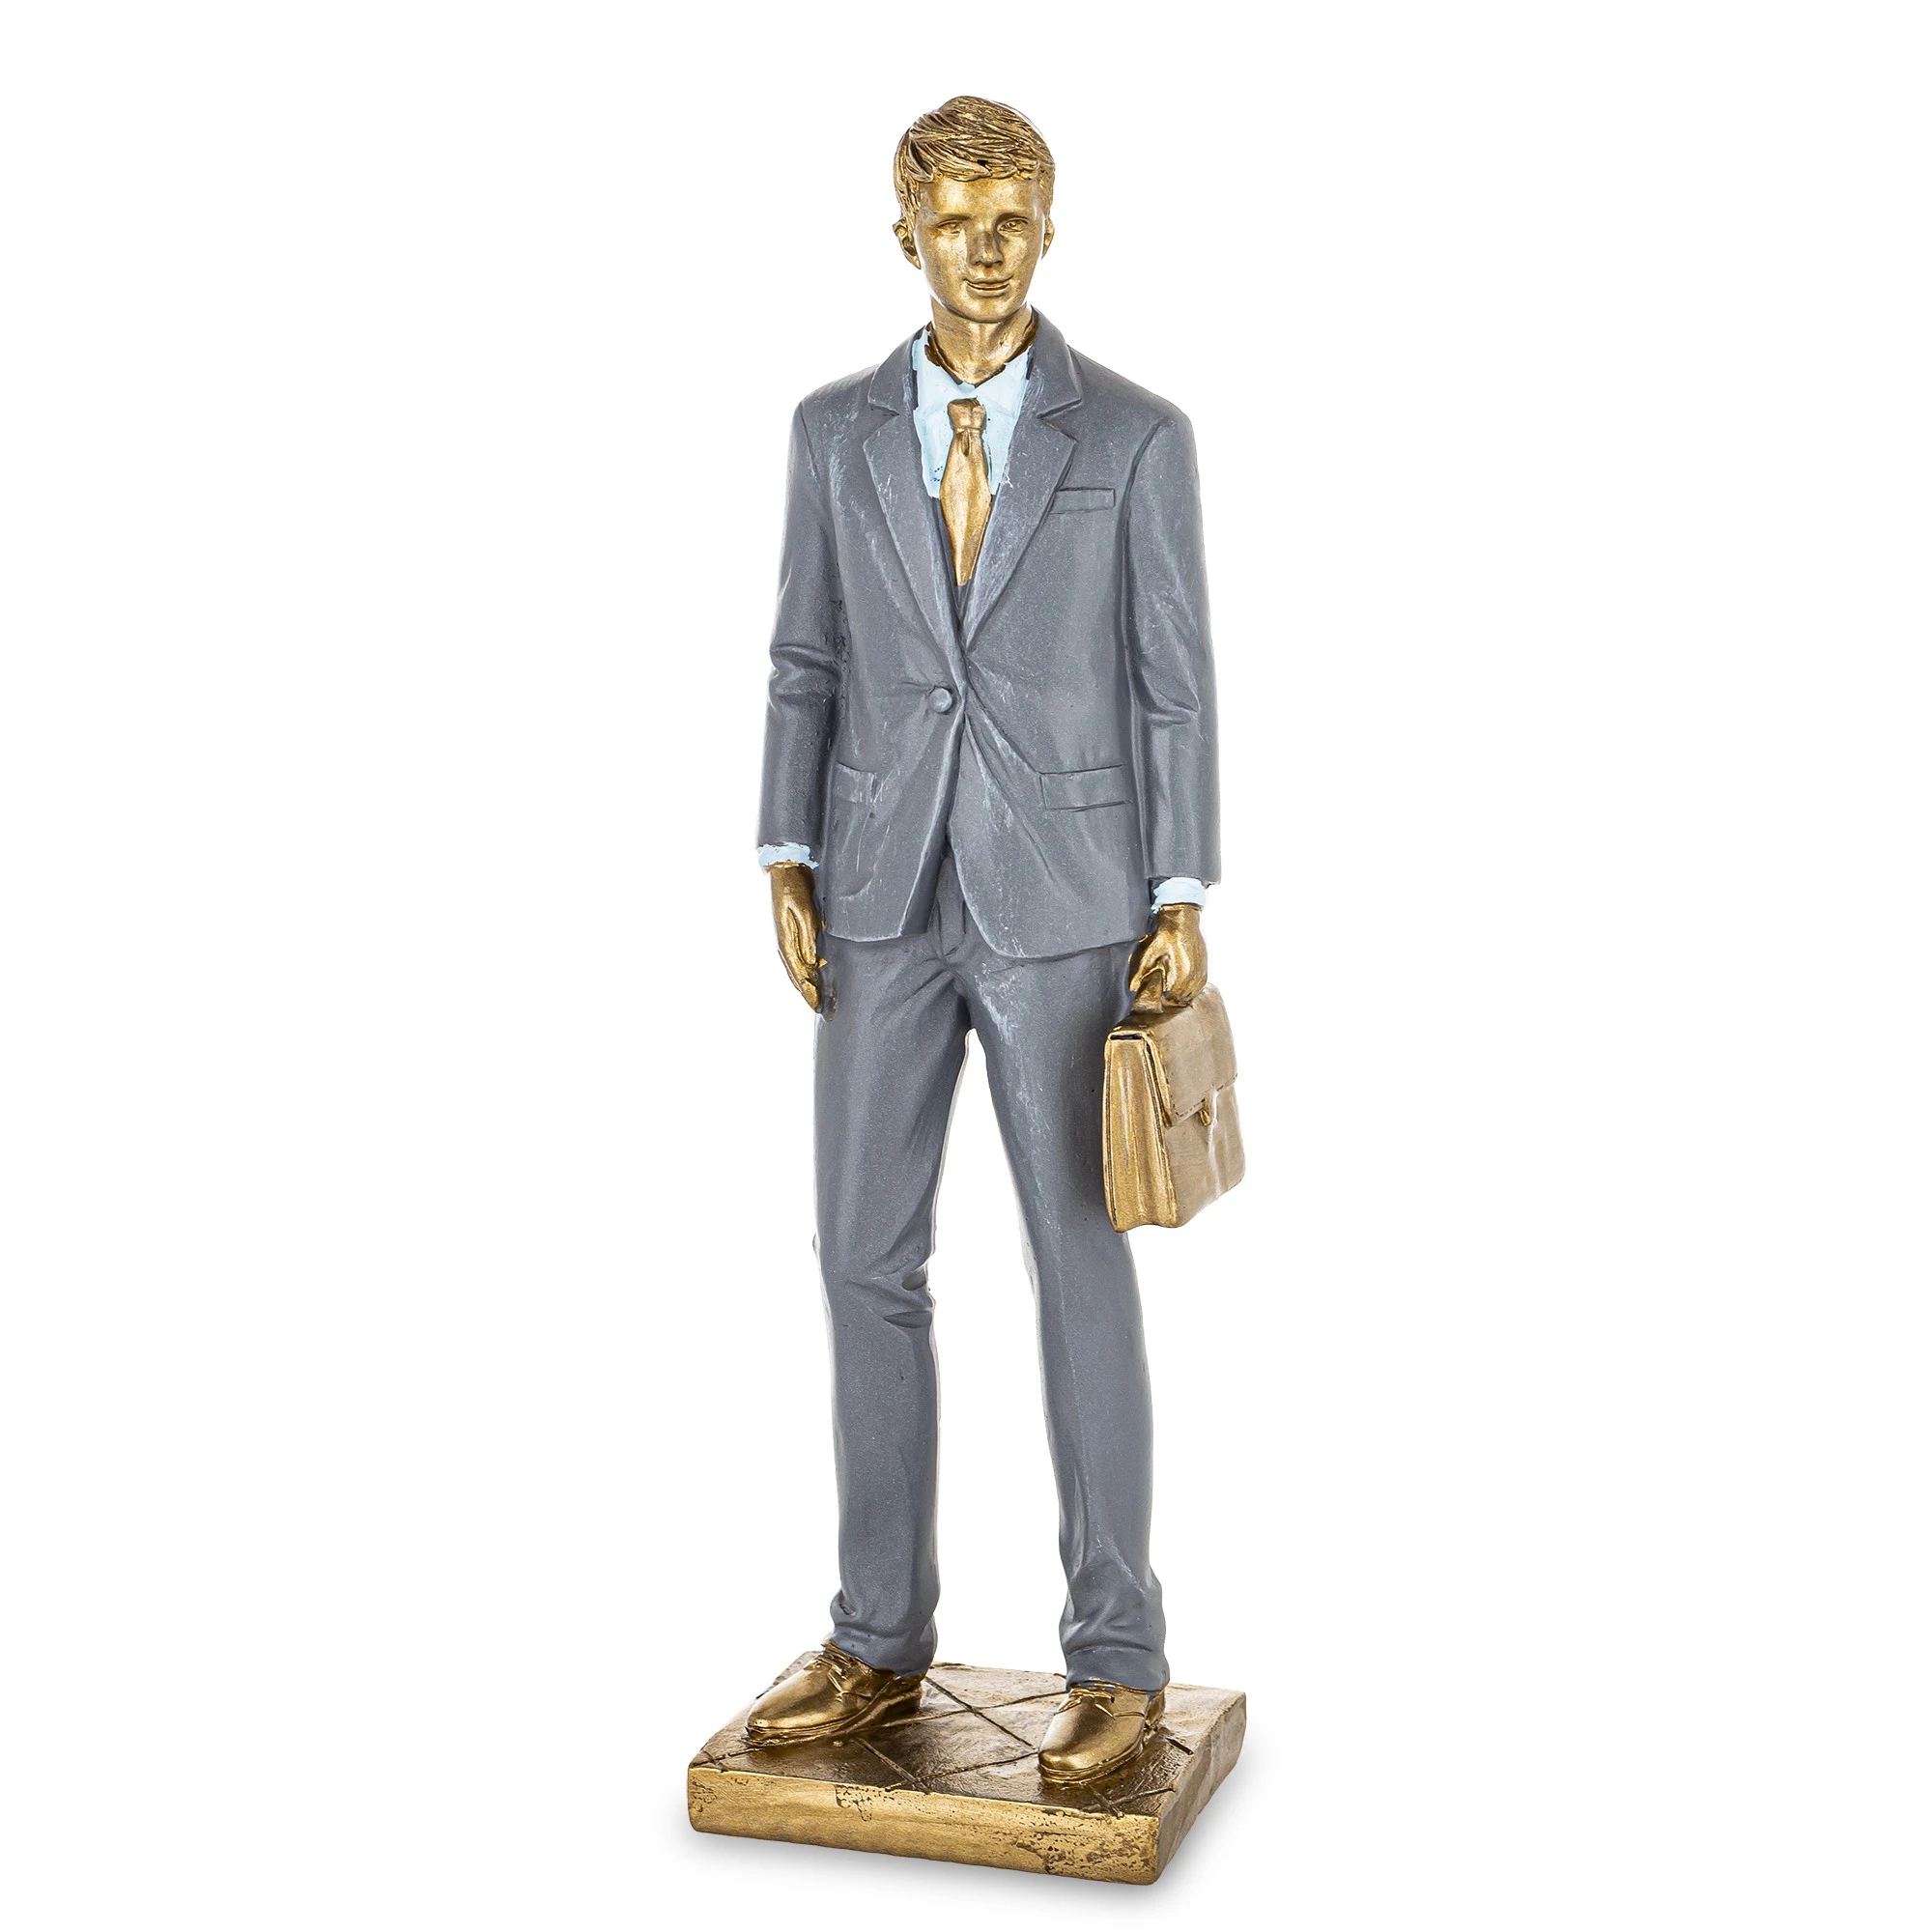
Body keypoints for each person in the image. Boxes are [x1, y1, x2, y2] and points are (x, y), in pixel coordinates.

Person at [746, 95, 1220, 1785]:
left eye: (1012, 216)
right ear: (907, 234)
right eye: (953, 219)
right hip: (880, 896)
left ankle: (1120, 1660)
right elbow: (804, 654)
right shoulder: (832, 431)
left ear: (1050, 225)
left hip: (1066, 897)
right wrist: (787, 850)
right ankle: (879, 1639)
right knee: (862, 1260)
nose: (985, 248)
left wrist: (1181, 892)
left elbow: (1174, 682)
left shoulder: (1136, 437)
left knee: (1076, 1257)